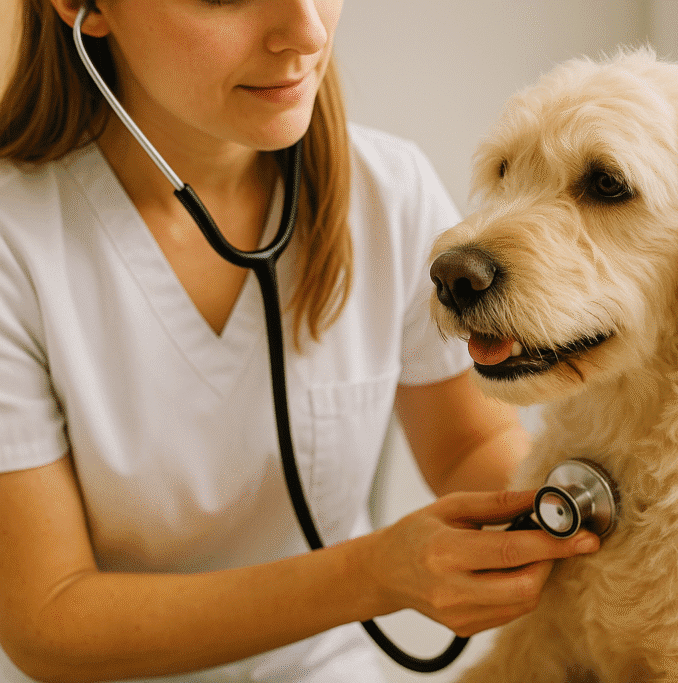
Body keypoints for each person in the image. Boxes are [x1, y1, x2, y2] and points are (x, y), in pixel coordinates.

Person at [0, 0, 600, 681]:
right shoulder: (15, 245)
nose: (309, 32)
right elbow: (49, 620)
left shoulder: (389, 192)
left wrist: (547, 527)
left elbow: (471, 443)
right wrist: (373, 575)